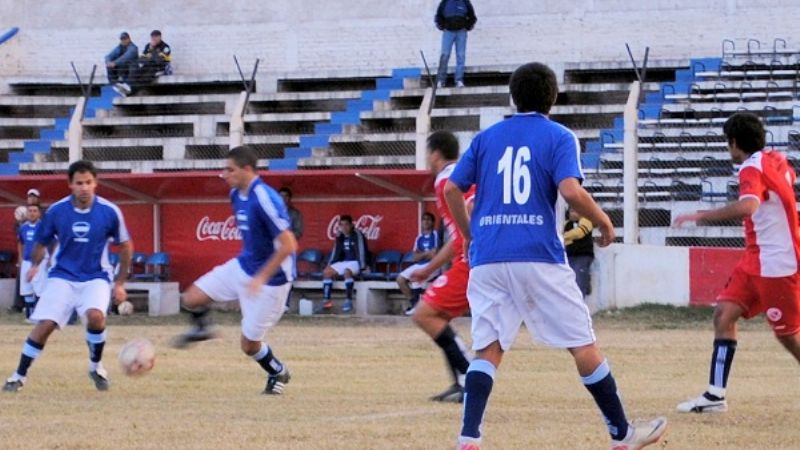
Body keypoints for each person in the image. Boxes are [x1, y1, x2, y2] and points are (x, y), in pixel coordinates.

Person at [443, 62, 666, 449]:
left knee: (488, 348)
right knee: (582, 343)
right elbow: (570, 190)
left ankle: (469, 438)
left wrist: (469, 235)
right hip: (538, 254)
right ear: (553, 97)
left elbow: (451, 191)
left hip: (489, 256)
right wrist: (603, 221)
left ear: (513, 96)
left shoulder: (486, 138)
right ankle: (622, 434)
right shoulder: (559, 136)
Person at [674, 112, 800, 414]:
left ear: (733, 143)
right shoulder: (776, 159)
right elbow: (783, 183)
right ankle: (715, 396)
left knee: (788, 335)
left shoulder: (750, 167)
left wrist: (701, 216)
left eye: (727, 143)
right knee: (723, 315)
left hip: (777, 263)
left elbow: (749, 206)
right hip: (755, 258)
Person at [173, 146, 297, 395]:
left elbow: (289, 245)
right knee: (191, 298)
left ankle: (277, 370)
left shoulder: (264, 198)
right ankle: (202, 328)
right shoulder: (235, 194)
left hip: (272, 282)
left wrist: (261, 277)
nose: (224, 174)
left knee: (249, 345)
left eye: (230, 169)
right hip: (242, 266)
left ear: (247, 169)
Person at [3, 160, 133, 393]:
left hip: (96, 276)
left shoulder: (110, 211)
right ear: (70, 185)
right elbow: (42, 242)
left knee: (95, 317)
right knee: (46, 325)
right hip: (62, 275)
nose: (84, 187)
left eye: (88, 182)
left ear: (96, 183)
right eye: (79, 183)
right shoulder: (56, 211)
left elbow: (125, 245)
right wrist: (34, 263)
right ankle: (18, 376)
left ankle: (96, 367)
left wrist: (120, 283)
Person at [407, 131, 474, 403]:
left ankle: (470, 376)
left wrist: (473, 237)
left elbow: (471, 207)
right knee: (435, 316)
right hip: (468, 258)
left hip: (470, 261)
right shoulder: (463, 173)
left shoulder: (446, 179)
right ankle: (462, 381)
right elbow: (459, 233)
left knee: (424, 314)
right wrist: (430, 267)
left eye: (428, 153)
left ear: (435, 153)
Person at [319, 215, 367, 314]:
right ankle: (326, 301)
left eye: (346, 225)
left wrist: (363, 266)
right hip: (343, 261)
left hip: (355, 262)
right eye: (341, 225)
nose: (344, 227)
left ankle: (348, 301)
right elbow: (335, 251)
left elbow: (362, 250)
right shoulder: (339, 236)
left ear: (351, 225)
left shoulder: (357, 234)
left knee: (347, 272)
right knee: (327, 272)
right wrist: (331, 264)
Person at [397, 212, 439, 315]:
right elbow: (415, 257)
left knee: (416, 277)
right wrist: (427, 253)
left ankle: (416, 308)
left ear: (433, 222)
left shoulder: (435, 235)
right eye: (424, 219)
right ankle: (414, 303)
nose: (426, 221)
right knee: (400, 279)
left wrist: (423, 254)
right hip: (419, 264)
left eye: (428, 219)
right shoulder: (419, 238)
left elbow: (435, 254)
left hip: (433, 265)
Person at [116, 30, 172, 97]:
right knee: (136, 70)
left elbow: (159, 61)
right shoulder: (148, 46)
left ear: (160, 37)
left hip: (160, 68)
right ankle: (127, 86)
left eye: (155, 37)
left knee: (145, 77)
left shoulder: (165, 47)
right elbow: (142, 58)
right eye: (152, 38)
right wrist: (148, 59)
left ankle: (130, 91)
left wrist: (152, 50)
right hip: (148, 65)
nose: (153, 39)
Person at [434, 0, 477, 88]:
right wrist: (443, 26)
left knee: (460, 56)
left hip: (461, 32)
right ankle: (441, 80)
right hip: (448, 32)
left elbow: (472, 17)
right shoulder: (445, 2)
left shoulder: (465, 2)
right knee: (444, 55)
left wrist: (467, 27)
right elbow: (438, 16)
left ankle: (459, 80)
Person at [17, 204, 48, 321]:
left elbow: (50, 242)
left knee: (40, 289)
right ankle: (29, 316)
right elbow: (21, 242)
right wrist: (20, 257)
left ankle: (40, 315)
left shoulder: (44, 227)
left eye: (35, 211)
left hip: (39, 262)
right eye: (30, 211)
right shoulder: (23, 228)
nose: (32, 213)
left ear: (39, 213)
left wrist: (48, 258)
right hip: (26, 261)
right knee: (27, 289)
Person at [279, 187, 303, 312]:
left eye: (285, 196)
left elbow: (299, 232)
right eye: (280, 196)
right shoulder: (272, 212)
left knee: (287, 276)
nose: (282, 199)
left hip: (288, 248)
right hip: (273, 249)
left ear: (289, 199)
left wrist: (287, 236)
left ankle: (286, 305)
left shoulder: (294, 214)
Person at [564, 207, 594, 298]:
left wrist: (565, 236)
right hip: (570, 256)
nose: (573, 214)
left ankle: (582, 299)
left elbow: (579, 233)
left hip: (583, 255)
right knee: (570, 280)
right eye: (571, 211)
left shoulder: (586, 221)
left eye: (576, 211)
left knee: (579, 280)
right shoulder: (566, 224)